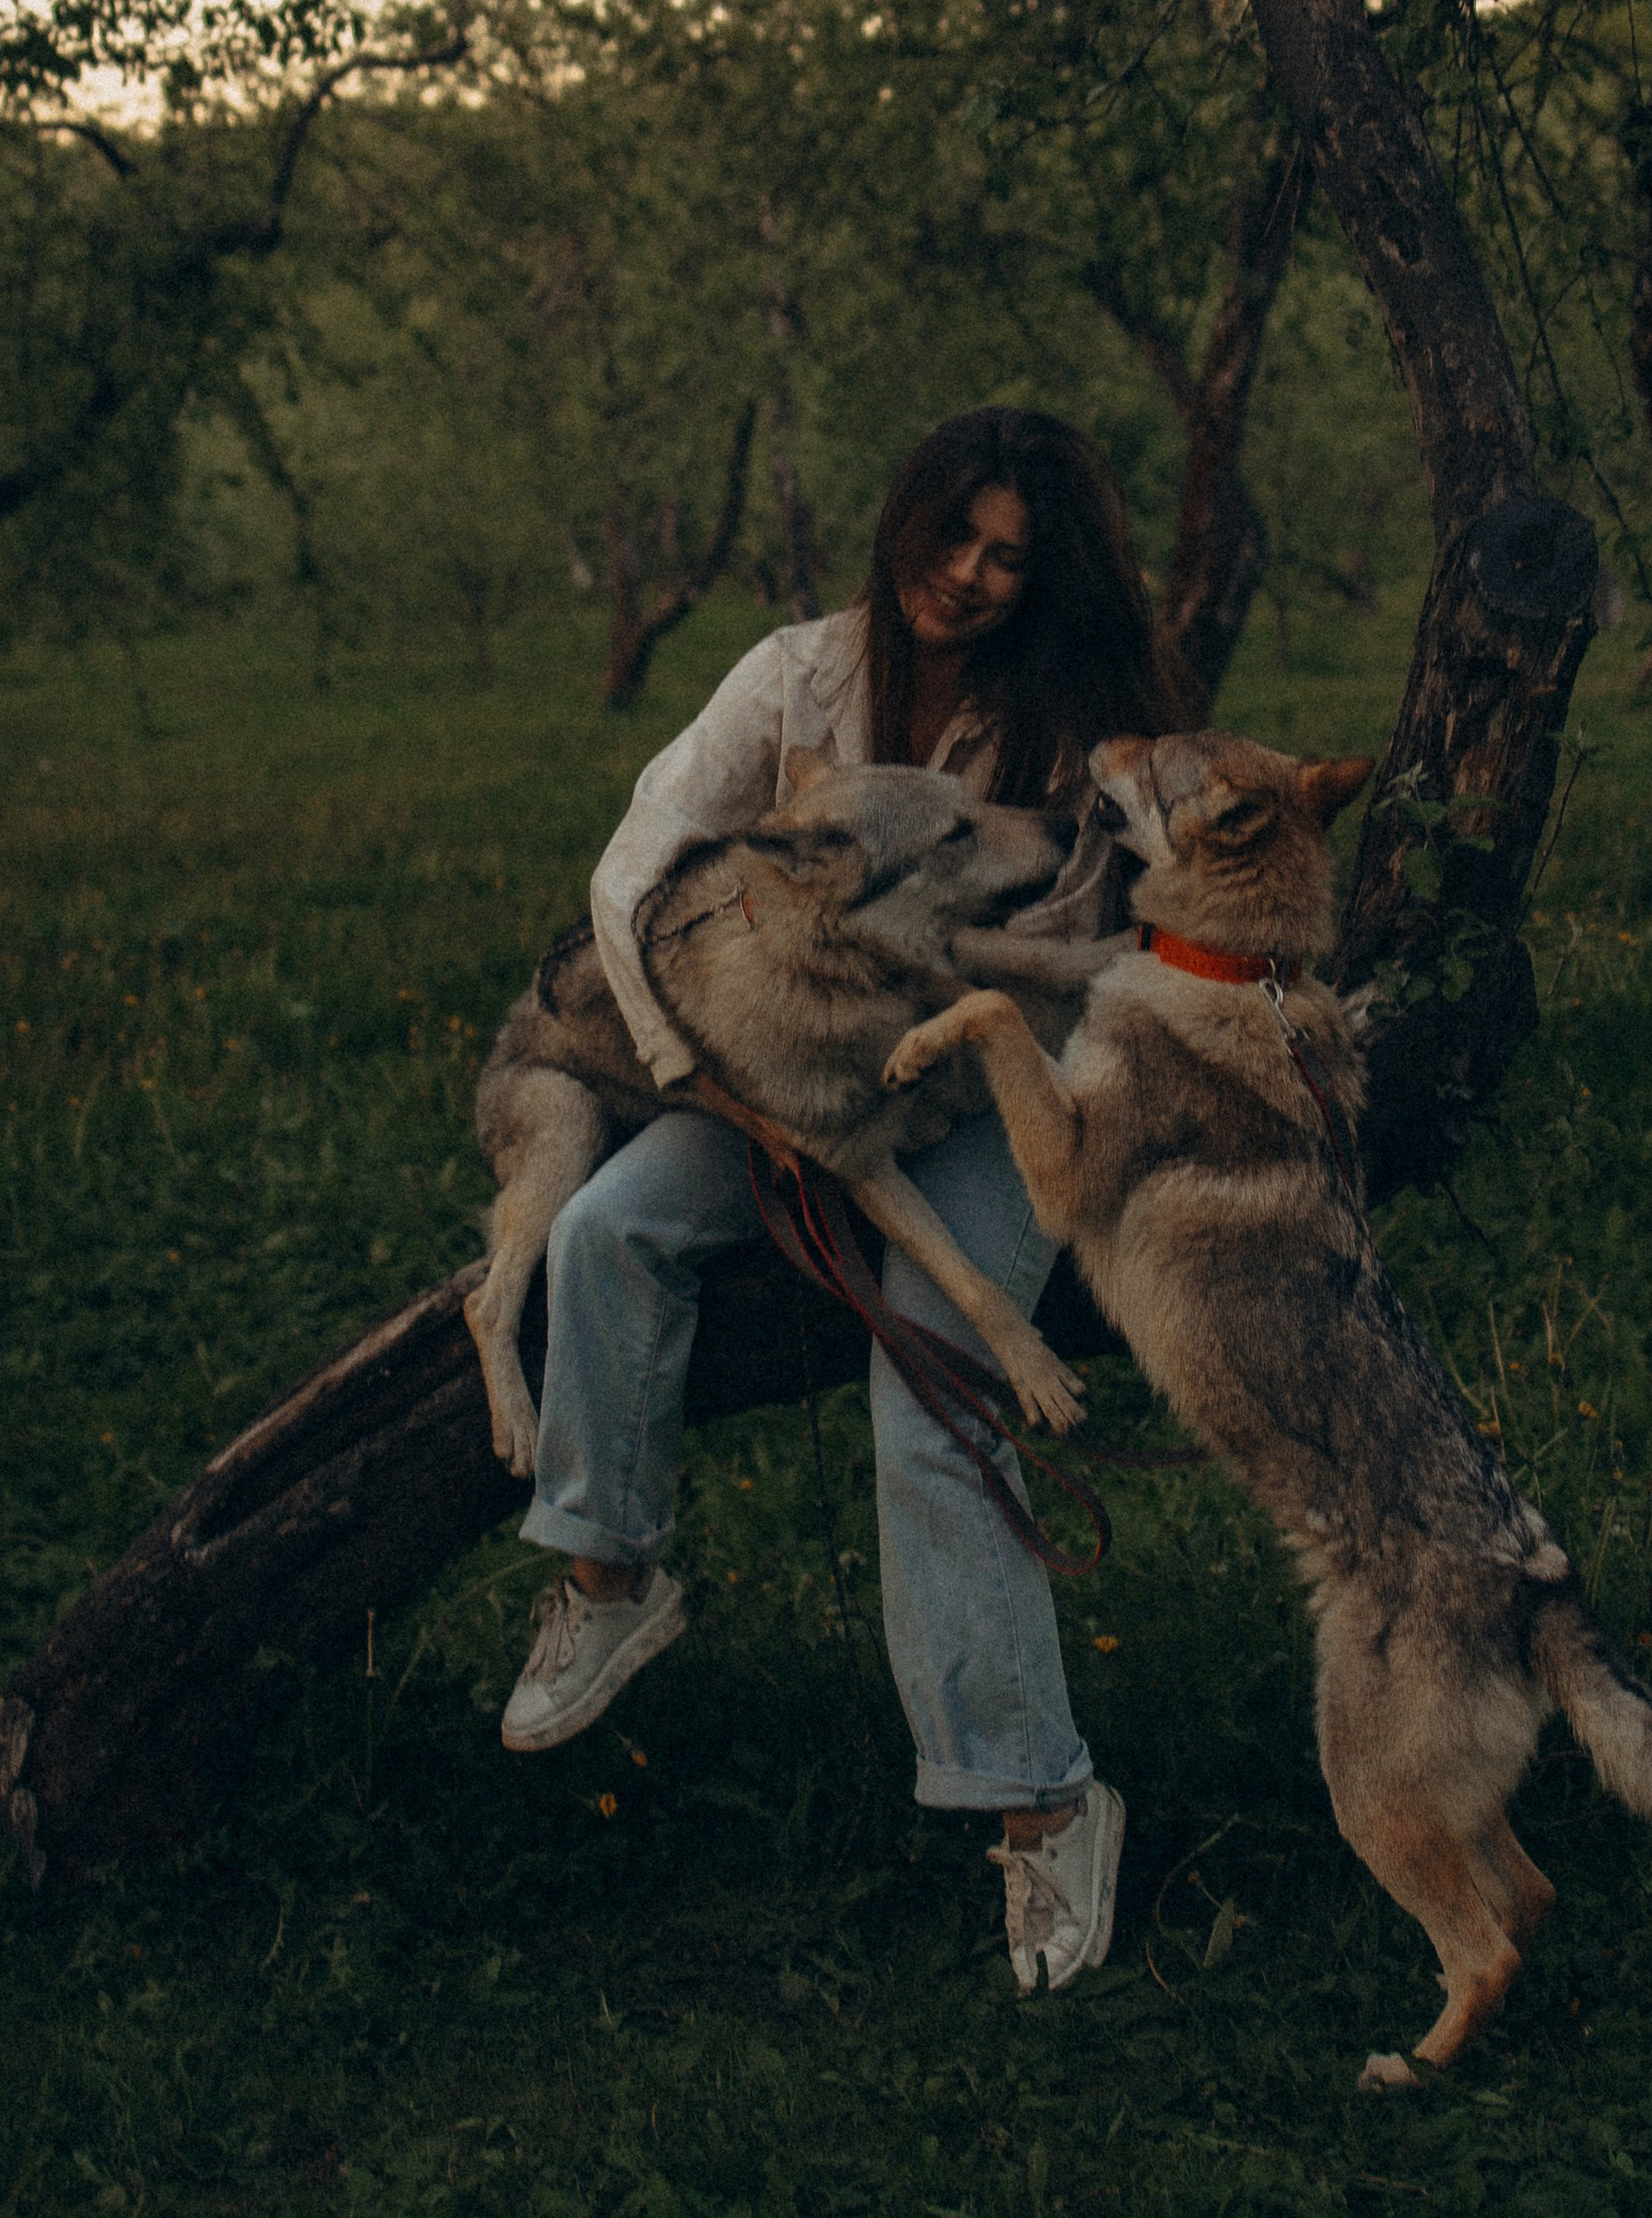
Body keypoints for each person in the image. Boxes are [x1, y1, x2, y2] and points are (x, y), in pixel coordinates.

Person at [498, 406, 1193, 1991]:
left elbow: (1107, 913)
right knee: (606, 1233)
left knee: (928, 1393)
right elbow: (628, 875)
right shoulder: (797, 676)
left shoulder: (1074, 713)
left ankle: (1042, 1806)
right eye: (951, 535)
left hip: (980, 1080)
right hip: (778, 1069)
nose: (970, 576)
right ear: (902, 522)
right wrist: (696, 1070)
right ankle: (613, 1573)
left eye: (1012, 557)